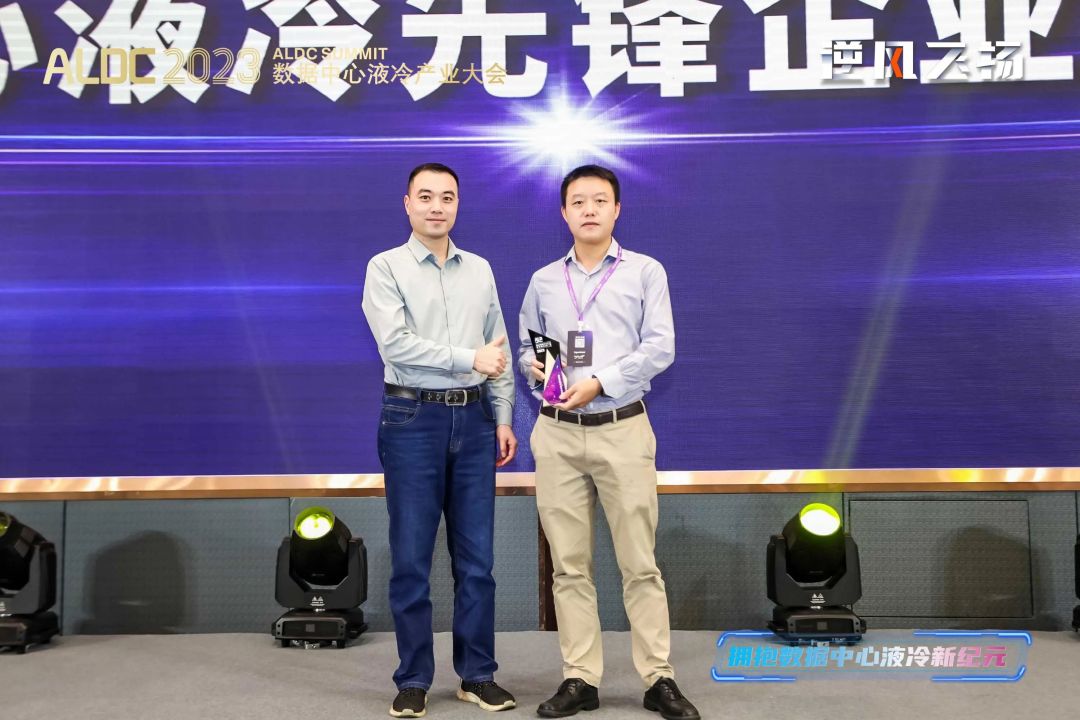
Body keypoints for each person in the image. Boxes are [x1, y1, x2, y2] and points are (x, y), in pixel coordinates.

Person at [518, 165, 699, 720]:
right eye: (578, 201)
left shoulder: (645, 271)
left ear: (617, 209)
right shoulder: (545, 280)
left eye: (600, 200)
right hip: (557, 433)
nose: (589, 209)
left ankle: (658, 678)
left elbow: (660, 347)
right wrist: (542, 375)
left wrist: (600, 382)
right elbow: (531, 346)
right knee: (569, 566)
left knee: (639, 563)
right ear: (564, 213)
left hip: (622, 428)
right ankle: (580, 678)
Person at [362, 162, 518, 718]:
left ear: (458, 204)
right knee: (411, 559)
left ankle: (478, 675)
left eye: (447, 197)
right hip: (412, 419)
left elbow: (498, 348)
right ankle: (413, 679)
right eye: (425, 196)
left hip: (475, 421)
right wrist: (467, 358)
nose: (436, 206)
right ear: (407, 203)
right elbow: (396, 344)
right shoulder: (385, 267)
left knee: (477, 561)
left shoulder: (480, 269)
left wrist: (503, 416)